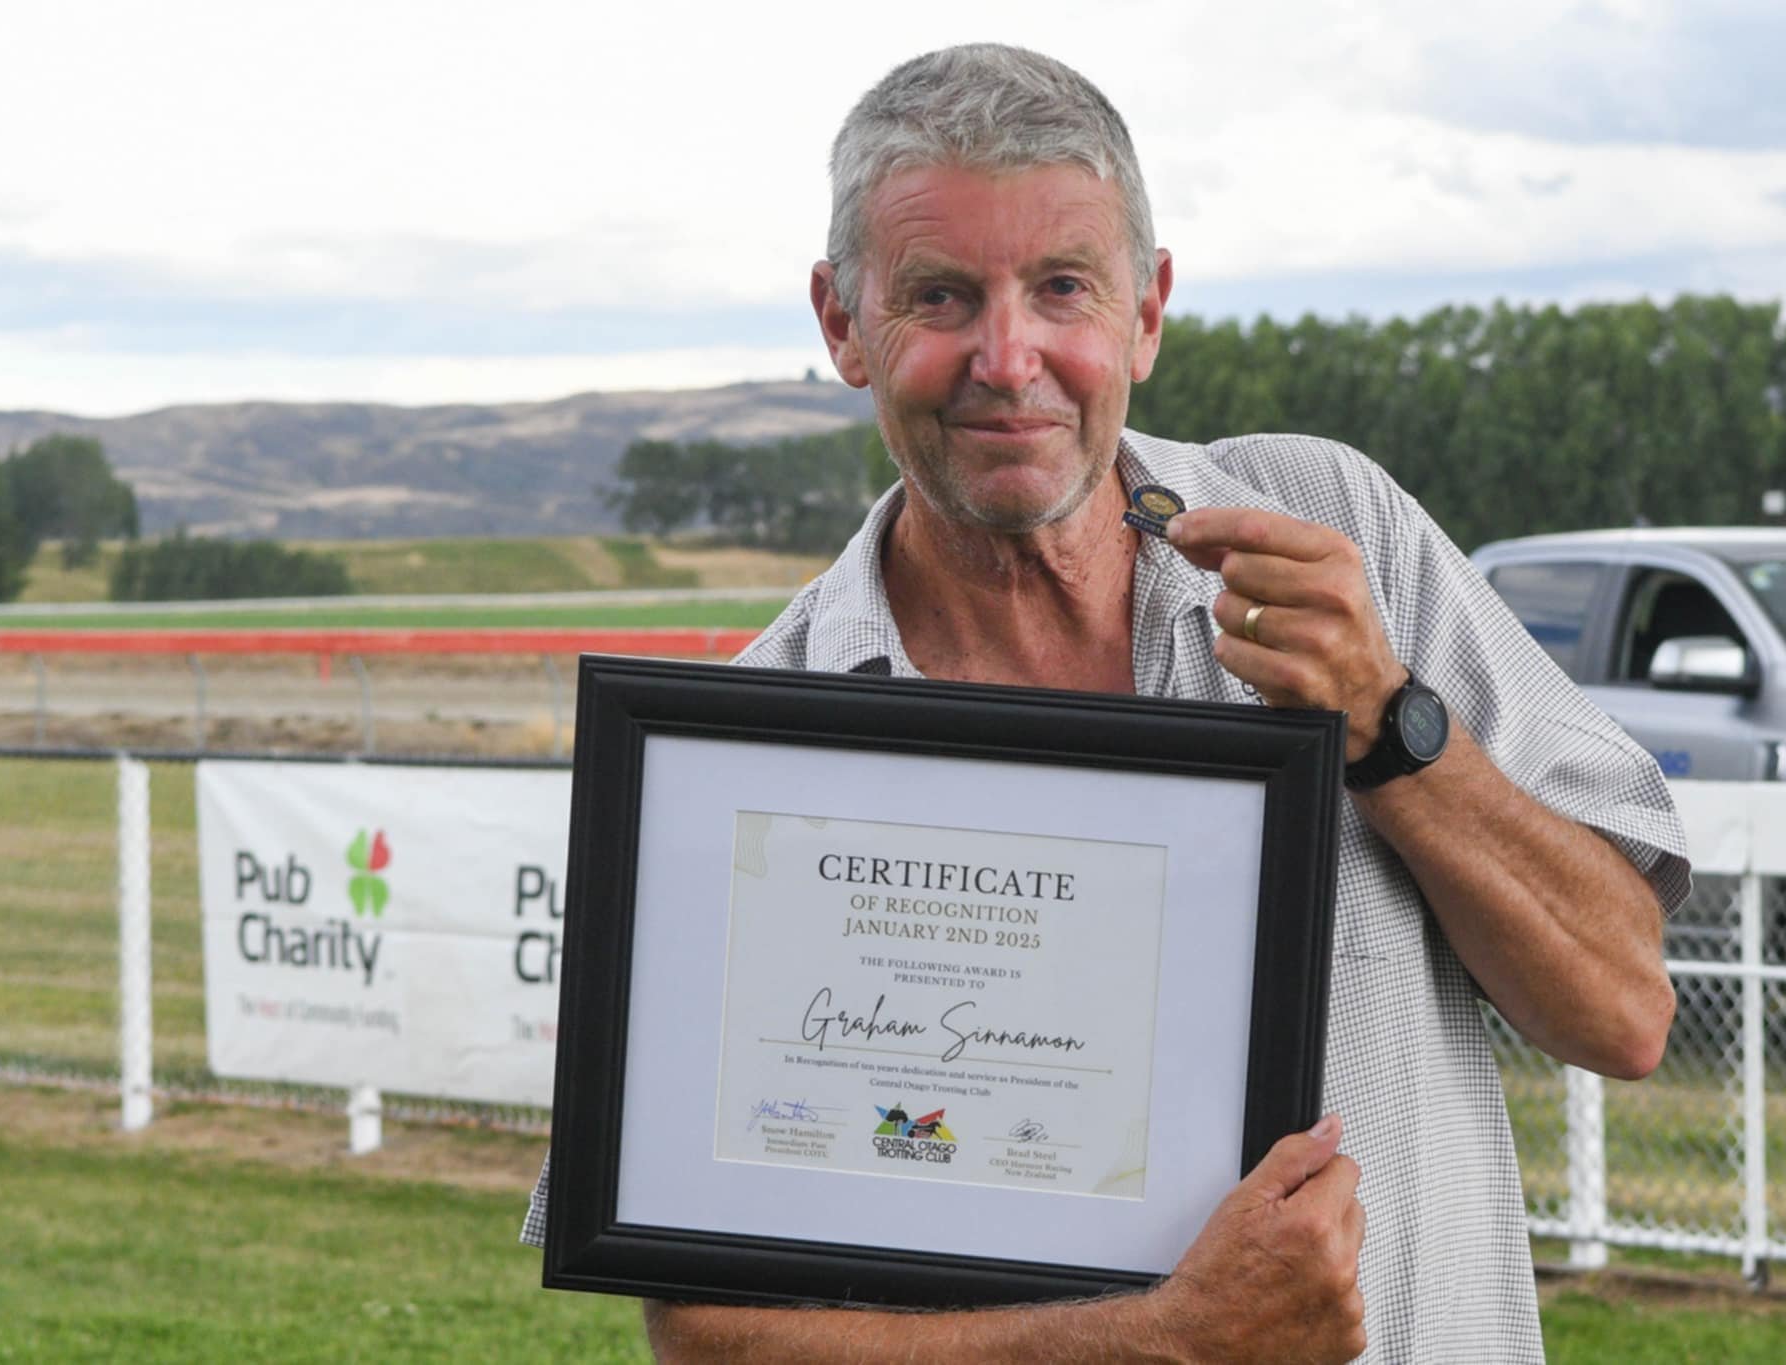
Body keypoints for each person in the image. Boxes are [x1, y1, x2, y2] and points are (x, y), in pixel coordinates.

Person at [525, 42, 1687, 1363]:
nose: (1007, 356)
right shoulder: (735, 751)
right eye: (940, 295)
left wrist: (1388, 722)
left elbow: (1622, 1009)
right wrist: (1162, 1340)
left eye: (1063, 287)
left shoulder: (1338, 535)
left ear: (1147, 308)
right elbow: (710, 1334)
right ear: (842, 323)